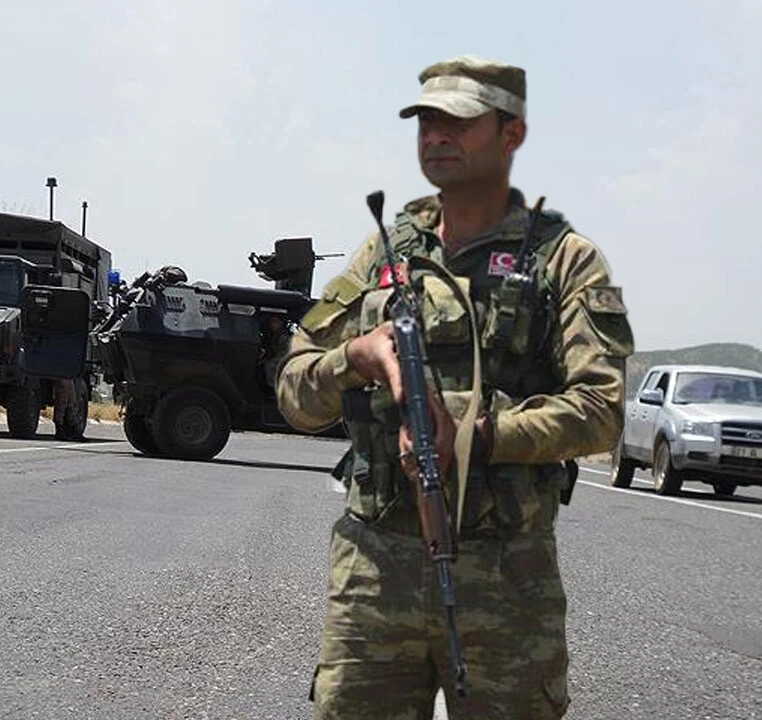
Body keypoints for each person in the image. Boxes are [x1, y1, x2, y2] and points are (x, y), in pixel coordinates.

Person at [276, 55, 635, 719]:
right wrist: (352, 357)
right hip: (375, 571)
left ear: (512, 134)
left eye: (460, 120)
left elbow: (600, 411)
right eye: (427, 121)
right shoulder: (382, 252)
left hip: (507, 580)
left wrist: (475, 435)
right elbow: (294, 390)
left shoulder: (563, 259)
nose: (437, 134)